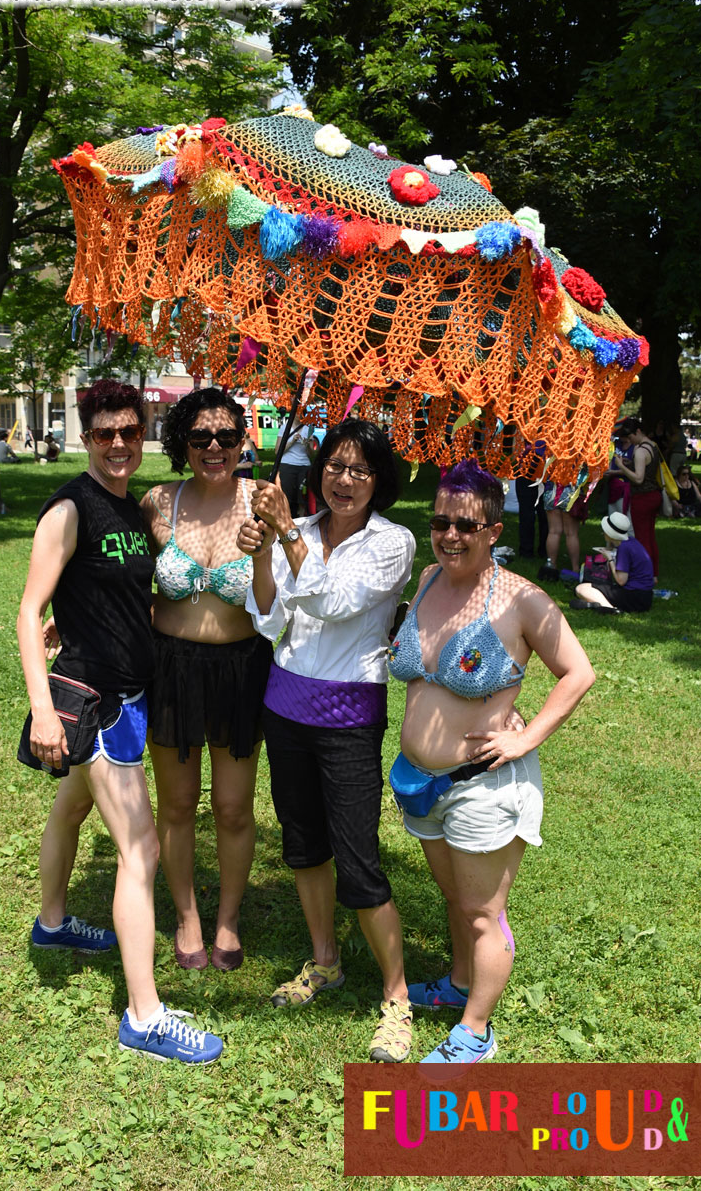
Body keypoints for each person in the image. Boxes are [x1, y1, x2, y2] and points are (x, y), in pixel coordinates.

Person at [16, 379, 221, 1063]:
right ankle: (145, 1015)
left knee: (73, 810)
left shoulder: (131, 511)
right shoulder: (71, 508)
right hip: (94, 702)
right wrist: (43, 708)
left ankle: (51, 924)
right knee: (140, 850)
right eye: (103, 433)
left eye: (128, 432)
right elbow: (26, 609)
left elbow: (127, 602)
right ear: (85, 435)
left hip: (132, 694)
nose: (117, 444)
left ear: (143, 433)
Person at [388, 459, 594, 1064]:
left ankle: (475, 1032)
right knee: (456, 899)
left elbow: (578, 673)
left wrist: (525, 739)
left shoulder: (522, 600)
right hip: (419, 781)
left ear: (494, 530)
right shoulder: (427, 580)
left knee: (483, 913)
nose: (451, 535)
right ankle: (458, 986)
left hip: (484, 786)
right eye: (442, 522)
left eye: (467, 526)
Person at [237, 419, 417, 1063]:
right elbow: (269, 617)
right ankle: (325, 962)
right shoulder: (304, 534)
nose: (345, 480)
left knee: (358, 856)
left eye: (360, 470)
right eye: (335, 467)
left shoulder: (394, 543)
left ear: (379, 481)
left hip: (347, 713)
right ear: (319, 474)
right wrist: (262, 551)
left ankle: (397, 999)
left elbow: (335, 601)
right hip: (285, 705)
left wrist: (284, 533)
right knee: (304, 846)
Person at [141, 388, 273, 972]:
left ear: (242, 440)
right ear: (183, 445)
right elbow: (118, 580)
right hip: (169, 668)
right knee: (175, 806)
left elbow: (284, 598)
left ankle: (228, 919)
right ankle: (188, 915)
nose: (214, 447)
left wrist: (265, 550)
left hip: (242, 668)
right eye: (201, 438)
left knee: (233, 807)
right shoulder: (157, 503)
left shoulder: (265, 501)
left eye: (226, 436)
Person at [572, 512, 653, 612]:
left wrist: (609, 559)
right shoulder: (631, 542)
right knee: (592, 586)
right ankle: (599, 605)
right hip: (645, 596)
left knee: (581, 588)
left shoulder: (624, 548)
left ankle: (610, 609)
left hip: (634, 597)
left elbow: (621, 581)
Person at [611, 418, 661, 579]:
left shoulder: (639, 451)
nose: (629, 441)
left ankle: (644, 574)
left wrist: (622, 467)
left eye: (630, 437)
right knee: (650, 536)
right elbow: (646, 468)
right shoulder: (652, 446)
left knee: (642, 538)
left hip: (643, 497)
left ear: (637, 432)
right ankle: (653, 573)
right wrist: (630, 463)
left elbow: (638, 478)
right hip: (654, 495)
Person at [275, 408, 313, 517]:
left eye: (303, 414)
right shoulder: (285, 427)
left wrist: (307, 446)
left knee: (303, 497)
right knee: (287, 496)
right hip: (287, 465)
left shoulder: (308, 429)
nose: (300, 416)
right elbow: (277, 451)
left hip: (304, 466)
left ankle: (302, 520)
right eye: (298, 413)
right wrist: (292, 441)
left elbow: (312, 454)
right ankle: (287, 519)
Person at [540, 481, 583, 575]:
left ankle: (551, 566)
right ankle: (575, 569)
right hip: (571, 491)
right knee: (571, 534)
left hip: (551, 491)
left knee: (553, 532)